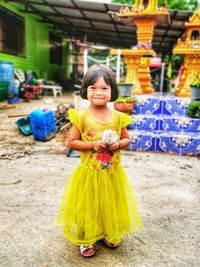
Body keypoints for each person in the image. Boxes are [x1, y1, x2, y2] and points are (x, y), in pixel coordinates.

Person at [56, 64, 142, 257]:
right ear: (85, 90)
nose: (99, 92)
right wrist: (92, 145)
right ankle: (86, 237)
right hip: (90, 172)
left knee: (109, 204)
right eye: (93, 88)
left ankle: (107, 232)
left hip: (112, 172)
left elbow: (127, 139)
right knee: (89, 205)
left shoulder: (119, 117)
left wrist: (118, 144)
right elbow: (72, 142)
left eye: (104, 88)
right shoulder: (82, 116)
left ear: (113, 91)